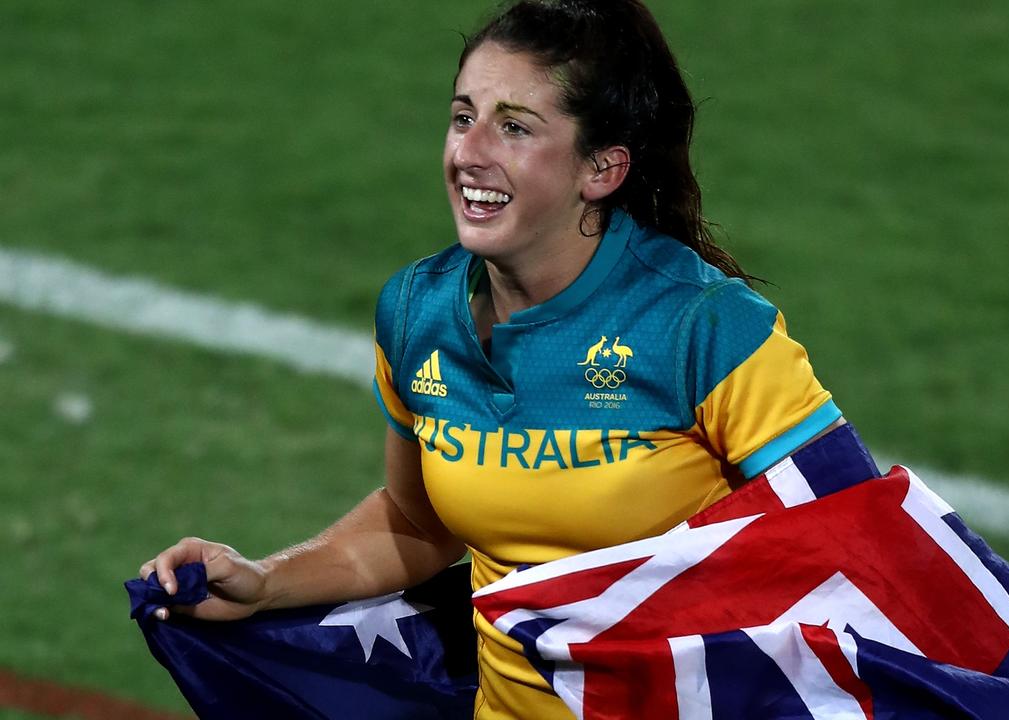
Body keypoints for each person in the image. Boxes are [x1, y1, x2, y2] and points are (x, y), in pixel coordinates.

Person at [138, 1, 879, 718]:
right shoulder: (419, 313)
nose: (469, 153)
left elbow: (863, 554)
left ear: (602, 169)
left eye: (514, 127)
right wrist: (265, 582)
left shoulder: (702, 329)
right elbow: (414, 522)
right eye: (464, 117)